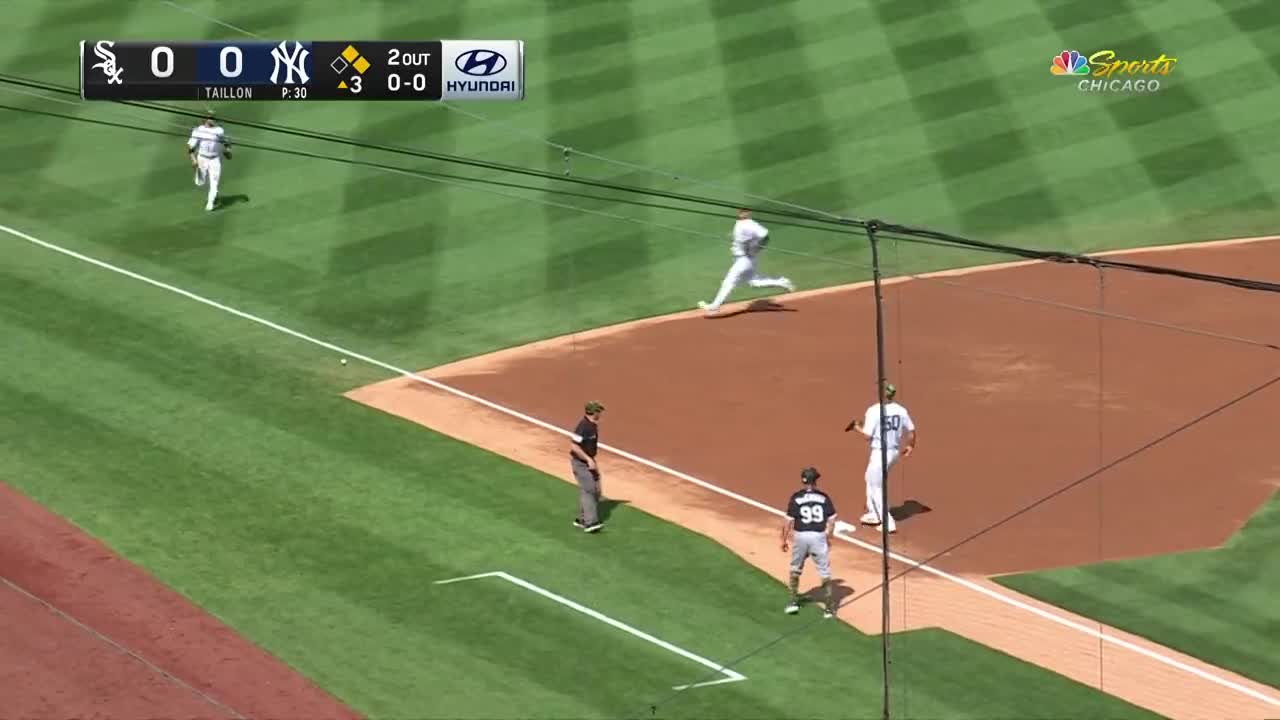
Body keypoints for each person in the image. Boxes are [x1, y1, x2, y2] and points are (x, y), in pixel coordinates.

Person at [846, 382, 916, 533]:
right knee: (869, 479)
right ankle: (873, 513)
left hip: (880, 454)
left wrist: (856, 427)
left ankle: (888, 522)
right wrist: (910, 446)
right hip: (893, 453)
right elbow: (911, 430)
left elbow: (867, 436)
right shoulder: (901, 410)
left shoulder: (874, 411)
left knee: (876, 486)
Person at [697, 208, 795, 314]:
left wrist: (756, 247)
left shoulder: (750, 224)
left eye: (744, 212)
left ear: (748, 213)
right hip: (747, 259)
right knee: (754, 282)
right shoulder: (743, 223)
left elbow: (764, 235)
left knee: (728, 282)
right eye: (740, 211)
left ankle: (714, 306)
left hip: (743, 260)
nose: (741, 213)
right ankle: (782, 282)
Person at [780, 467, 838, 618]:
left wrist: (784, 540)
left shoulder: (796, 497)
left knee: (795, 569)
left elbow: (788, 522)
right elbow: (832, 520)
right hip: (818, 536)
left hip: (800, 536)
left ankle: (793, 603)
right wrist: (828, 537)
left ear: (803, 480)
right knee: (824, 571)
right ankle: (828, 609)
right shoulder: (824, 497)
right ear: (816, 480)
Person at [570, 401, 606, 533]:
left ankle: (582, 519)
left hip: (589, 461)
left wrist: (591, 460)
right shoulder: (583, 426)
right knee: (589, 489)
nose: (600, 413)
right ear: (593, 412)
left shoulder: (592, 425)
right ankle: (590, 523)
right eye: (599, 411)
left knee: (596, 489)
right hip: (580, 462)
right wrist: (588, 459)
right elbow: (574, 446)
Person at [187, 112, 231, 211]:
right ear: (205, 119)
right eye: (210, 118)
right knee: (200, 182)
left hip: (215, 159)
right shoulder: (198, 131)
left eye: (213, 118)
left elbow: (226, 142)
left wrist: (228, 150)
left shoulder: (219, 130)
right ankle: (197, 172)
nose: (212, 120)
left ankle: (210, 202)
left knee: (214, 183)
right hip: (202, 158)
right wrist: (193, 160)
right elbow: (190, 146)